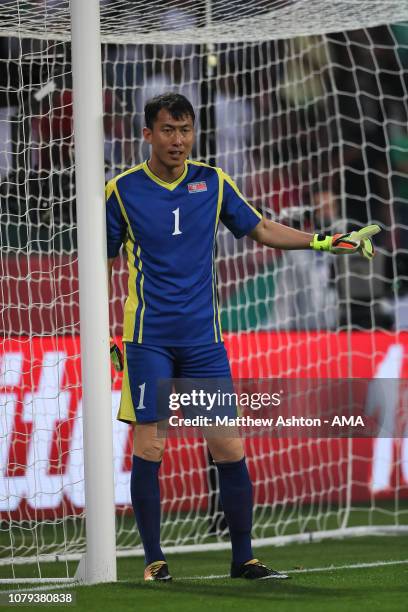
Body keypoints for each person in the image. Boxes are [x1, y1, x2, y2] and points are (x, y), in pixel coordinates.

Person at [105, 92, 378, 582]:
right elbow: (101, 262)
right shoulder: (122, 191)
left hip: (203, 341)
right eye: (167, 130)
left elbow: (261, 228)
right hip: (147, 339)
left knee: (229, 448)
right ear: (147, 134)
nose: (178, 140)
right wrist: (108, 335)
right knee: (150, 446)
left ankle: (243, 559)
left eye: (185, 130)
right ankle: (153, 560)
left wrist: (322, 241)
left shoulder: (212, 181)